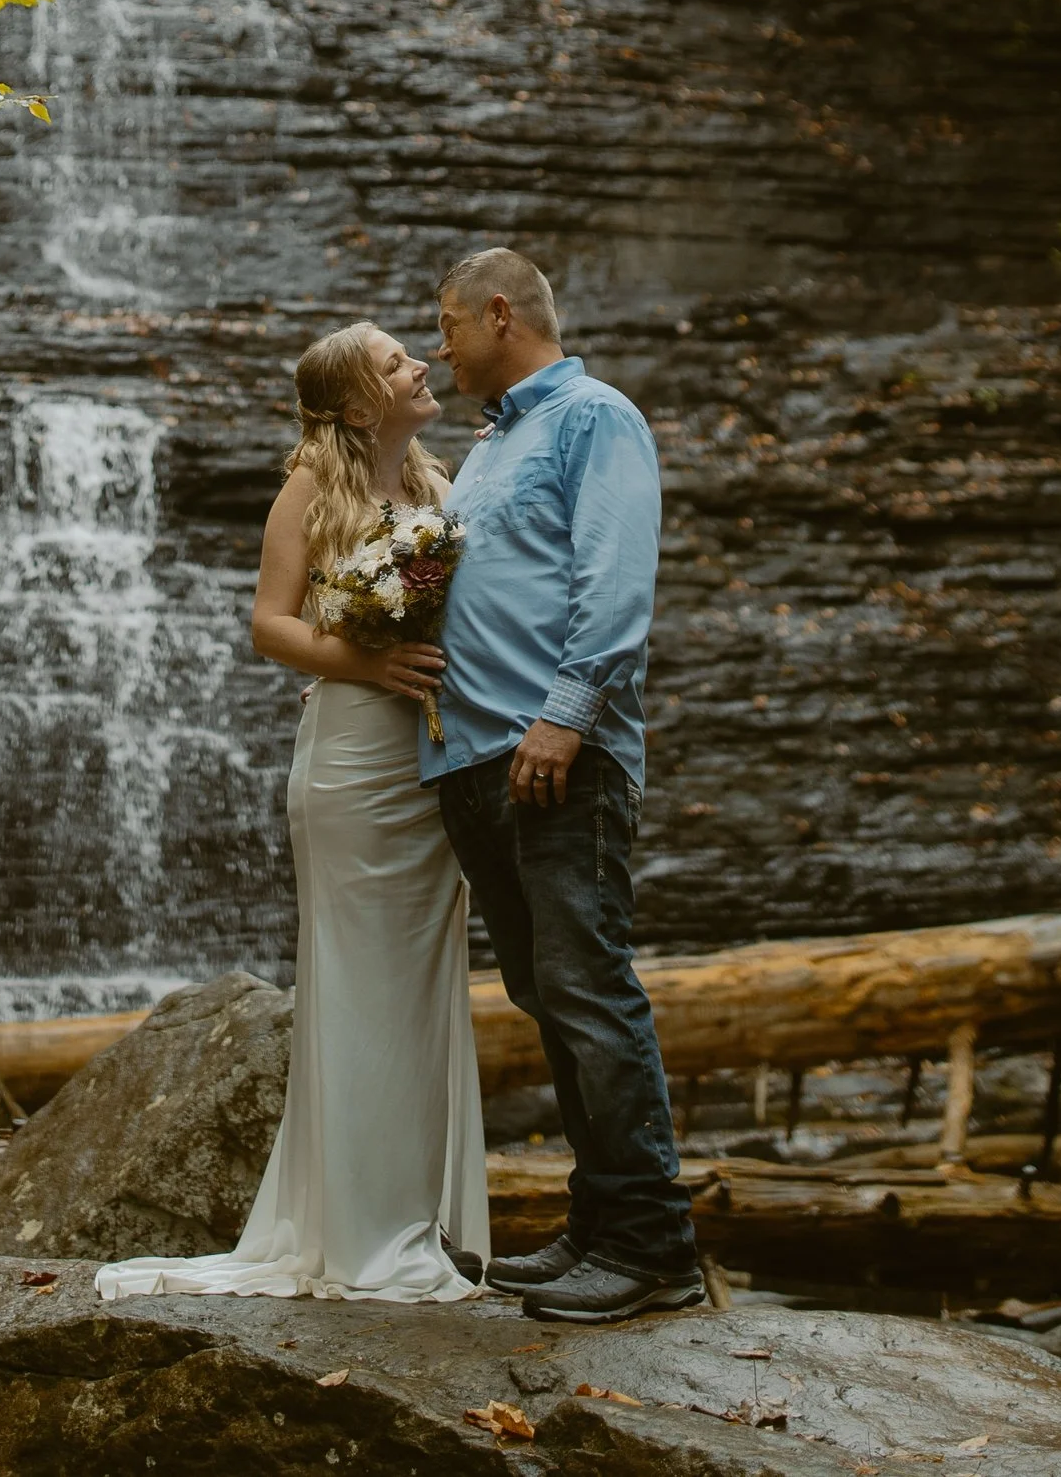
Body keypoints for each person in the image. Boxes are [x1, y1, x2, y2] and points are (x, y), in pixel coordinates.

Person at [94, 320, 490, 1302]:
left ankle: (418, 1219)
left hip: (430, 758)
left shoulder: (440, 484)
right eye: (396, 362)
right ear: (357, 404)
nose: (421, 364)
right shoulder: (312, 487)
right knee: (359, 986)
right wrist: (364, 662)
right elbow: (270, 624)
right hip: (355, 762)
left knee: (422, 986)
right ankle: (360, 1234)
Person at [423, 246, 703, 1323]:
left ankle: (653, 1245)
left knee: (588, 986)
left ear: (500, 312)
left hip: (556, 756)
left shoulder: (593, 417)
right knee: (550, 995)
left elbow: (615, 575)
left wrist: (565, 715)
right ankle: (599, 1223)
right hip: (476, 758)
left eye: (448, 325)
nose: (438, 349)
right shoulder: (490, 446)